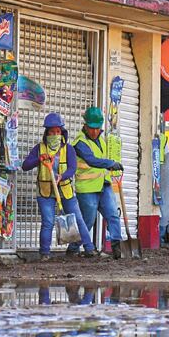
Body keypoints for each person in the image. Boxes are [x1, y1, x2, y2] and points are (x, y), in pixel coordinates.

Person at [22, 113, 97, 261]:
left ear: (62, 133)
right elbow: (25, 166)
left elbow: (72, 168)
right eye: (52, 132)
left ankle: (89, 248)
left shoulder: (68, 149)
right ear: (47, 133)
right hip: (45, 192)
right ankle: (44, 253)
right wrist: (39, 159)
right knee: (48, 222)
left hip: (65, 190)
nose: (55, 134)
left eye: (58, 131)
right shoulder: (39, 148)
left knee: (78, 219)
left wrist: (62, 176)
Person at [70, 107, 124, 259]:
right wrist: (110, 163)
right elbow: (91, 160)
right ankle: (74, 247)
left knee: (113, 214)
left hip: (103, 185)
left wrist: (112, 165)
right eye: (92, 128)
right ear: (85, 125)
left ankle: (117, 247)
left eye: (97, 128)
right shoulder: (79, 143)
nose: (94, 131)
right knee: (88, 221)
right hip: (87, 189)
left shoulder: (102, 139)